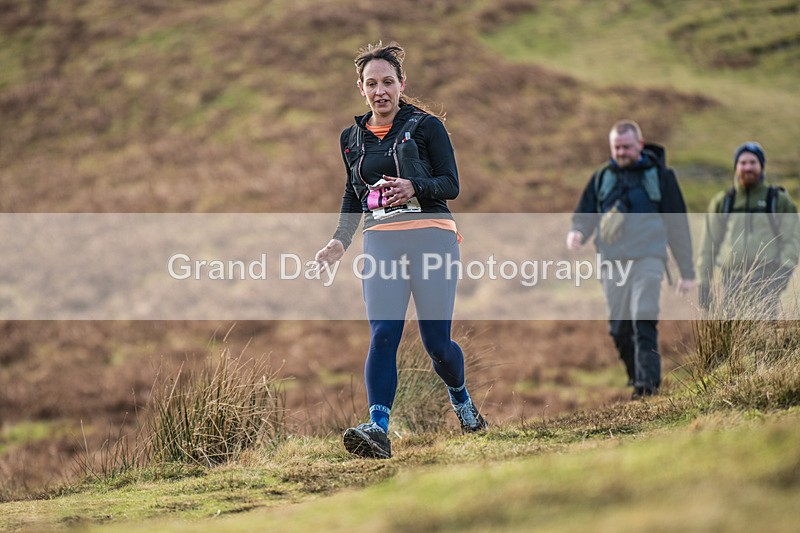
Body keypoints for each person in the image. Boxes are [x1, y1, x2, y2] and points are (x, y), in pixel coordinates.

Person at [314, 42, 486, 460]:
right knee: (383, 333)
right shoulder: (351, 138)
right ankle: (378, 429)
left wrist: (414, 186)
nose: (381, 91)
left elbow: (451, 184)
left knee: (437, 344)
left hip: (432, 237)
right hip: (381, 242)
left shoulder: (427, 127)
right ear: (361, 88)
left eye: (388, 82)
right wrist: (339, 240)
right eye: (372, 84)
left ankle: (462, 402)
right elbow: (353, 195)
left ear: (401, 84)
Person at [566, 120, 696, 399]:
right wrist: (577, 232)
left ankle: (647, 388)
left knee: (643, 316)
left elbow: (678, 225)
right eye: (617, 148)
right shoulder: (602, 177)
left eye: (626, 147)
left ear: (640, 144)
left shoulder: (662, 177)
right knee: (619, 329)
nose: (621, 153)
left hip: (649, 259)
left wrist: (687, 271)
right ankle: (637, 377)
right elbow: (585, 214)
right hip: (612, 264)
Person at [696, 142, 800, 317]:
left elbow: (792, 240)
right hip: (731, 282)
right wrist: (704, 284)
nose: (748, 167)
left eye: (753, 162)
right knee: (732, 330)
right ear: (736, 167)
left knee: (764, 331)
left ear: (761, 166)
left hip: (767, 281)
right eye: (743, 163)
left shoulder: (778, 200)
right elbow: (708, 246)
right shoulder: (724, 202)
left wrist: (783, 273)